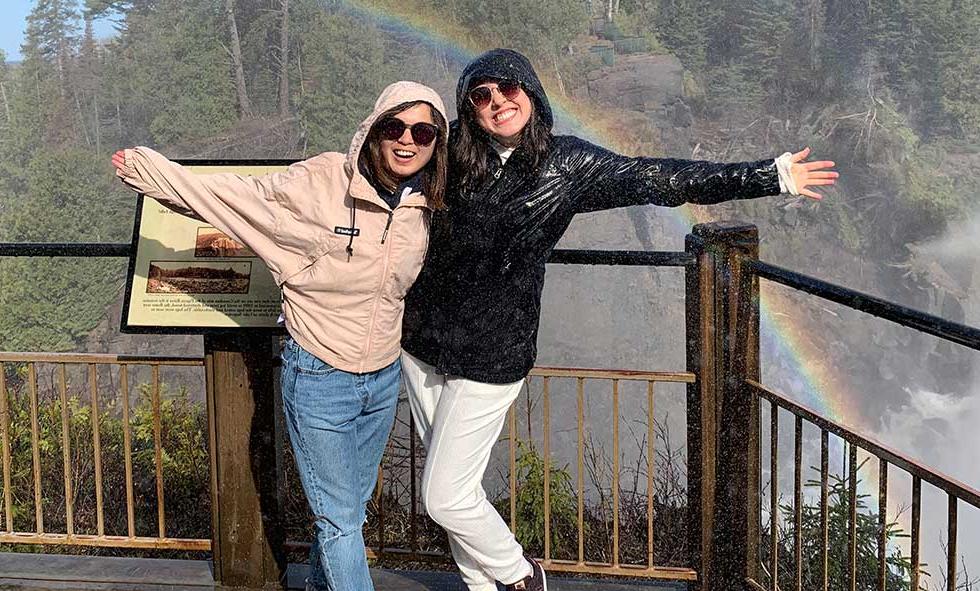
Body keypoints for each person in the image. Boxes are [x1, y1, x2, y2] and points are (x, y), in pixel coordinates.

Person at [400, 49, 839, 591]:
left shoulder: (569, 165)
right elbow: (384, 155)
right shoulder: (449, 152)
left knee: (443, 493)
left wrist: (769, 176)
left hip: (494, 351)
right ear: (469, 108)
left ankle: (519, 576)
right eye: (482, 96)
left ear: (531, 93)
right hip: (421, 342)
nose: (497, 103)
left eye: (507, 89)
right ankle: (482, 586)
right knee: (458, 490)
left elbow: (661, 179)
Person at [112, 81, 449, 591]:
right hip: (320, 374)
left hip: (382, 378)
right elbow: (236, 198)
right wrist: (151, 171)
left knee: (350, 512)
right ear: (373, 130)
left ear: (435, 143)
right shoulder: (320, 183)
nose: (407, 140)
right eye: (394, 127)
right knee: (338, 522)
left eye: (422, 131)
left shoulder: (426, 203)